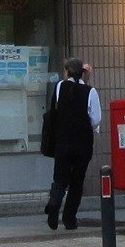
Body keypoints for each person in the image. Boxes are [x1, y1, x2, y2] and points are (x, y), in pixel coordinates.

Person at [44, 57, 100, 230]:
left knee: (60, 178)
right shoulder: (90, 91)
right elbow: (96, 119)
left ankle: (54, 206)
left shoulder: (60, 86)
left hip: (62, 142)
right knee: (77, 181)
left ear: (67, 71)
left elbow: (63, 99)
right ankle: (70, 219)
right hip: (82, 144)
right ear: (83, 72)